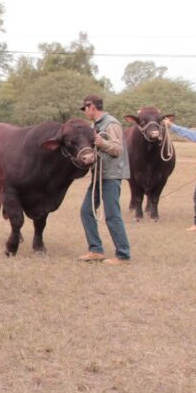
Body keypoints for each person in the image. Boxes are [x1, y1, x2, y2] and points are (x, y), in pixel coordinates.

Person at [78, 94, 131, 265]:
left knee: (112, 215)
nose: (84, 111)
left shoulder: (111, 124)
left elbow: (118, 149)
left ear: (92, 106)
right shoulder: (94, 126)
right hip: (99, 175)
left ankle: (123, 254)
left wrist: (102, 144)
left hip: (111, 175)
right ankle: (96, 250)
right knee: (86, 211)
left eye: (85, 108)